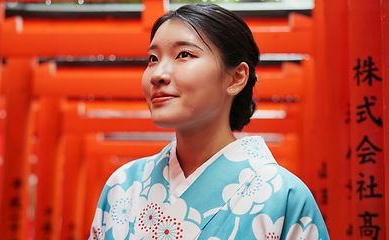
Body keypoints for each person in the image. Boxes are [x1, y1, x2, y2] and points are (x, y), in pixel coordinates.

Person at [90, 3, 329, 240]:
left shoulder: (284, 196)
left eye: (184, 54)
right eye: (153, 58)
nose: (158, 74)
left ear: (236, 78)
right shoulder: (123, 186)